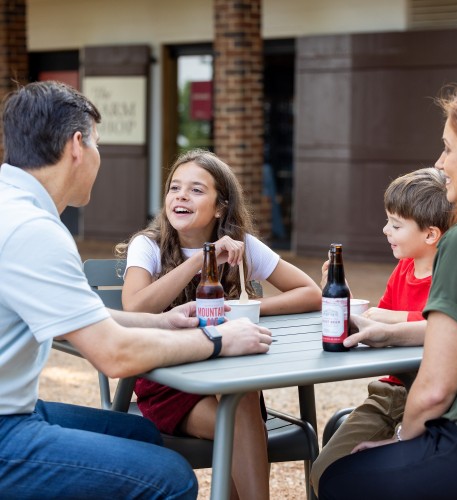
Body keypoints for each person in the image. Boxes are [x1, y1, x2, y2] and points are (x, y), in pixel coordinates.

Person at [0, 81, 273, 499]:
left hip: (16, 411)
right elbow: (115, 355)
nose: (98, 157)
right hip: (7, 427)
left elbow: (80, 317)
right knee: (168, 476)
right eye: (97, 145)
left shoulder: (13, 209)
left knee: (139, 435)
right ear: (77, 145)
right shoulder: (33, 230)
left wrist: (160, 321)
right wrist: (216, 340)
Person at [319, 84, 457, 499]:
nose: (440, 162)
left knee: (337, 479)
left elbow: (435, 389)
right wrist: (388, 331)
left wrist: (401, 437)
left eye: (448, 149)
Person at [115, 148, 322, 500]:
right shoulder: (147, 246)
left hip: (231, 378)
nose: (181, 195)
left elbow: (311, 293)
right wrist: (202, 261)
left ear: (220, 206)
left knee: (241, 400)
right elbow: (136, 306)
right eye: (174, 188)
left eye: (196, 190)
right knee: (241, 422)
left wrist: (249, 307)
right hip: (171, 386)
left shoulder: (242, 247)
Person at [310, 167, 452, 493]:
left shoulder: (450, 274)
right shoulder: (403, 267)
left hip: (428, 401)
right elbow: (377, 315)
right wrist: (339, 295)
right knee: (323, 470)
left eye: (396, 225)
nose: (385, 229)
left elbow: (424, 321)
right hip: (386, 394)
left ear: (430, 235)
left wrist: (385, 319)